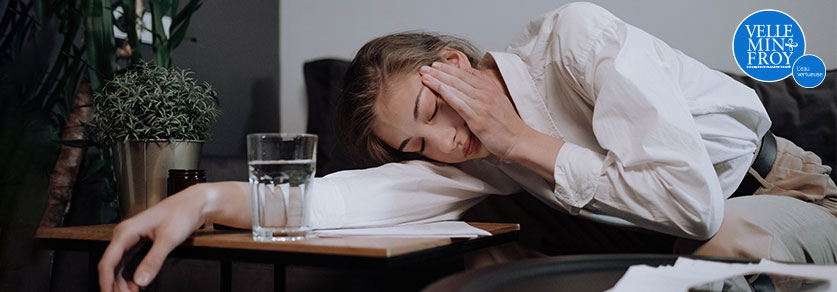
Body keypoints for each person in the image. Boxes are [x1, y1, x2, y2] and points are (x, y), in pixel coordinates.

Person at [98, 2, 837, 291]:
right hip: (656, 232)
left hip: (773, 191)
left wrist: (520, 139)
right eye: (418, 144)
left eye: (431, 110)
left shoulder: (574, 38)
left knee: (711, 249)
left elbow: (691, 203)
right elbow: (343, 198)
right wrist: (199, 200)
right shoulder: (466, 154)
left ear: (452, 63)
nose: (446, 145)